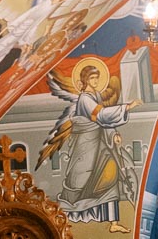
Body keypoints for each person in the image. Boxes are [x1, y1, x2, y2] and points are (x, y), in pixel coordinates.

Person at [38, 64, 138, 230]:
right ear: (84, 80)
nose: (96, 81)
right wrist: (126, 107)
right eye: (92, 78)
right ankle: (67, 215)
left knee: (110, 175)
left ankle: (113, 222)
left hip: (101, 143)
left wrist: (114, 134)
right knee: (80, 180)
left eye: (97, 77)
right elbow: (100, 115)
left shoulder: (97, 96)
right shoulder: (84, 99)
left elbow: (103, 122)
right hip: (86, 144)